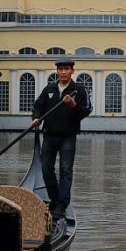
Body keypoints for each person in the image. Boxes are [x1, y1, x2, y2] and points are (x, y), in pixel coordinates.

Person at [31, 57, 91, 220]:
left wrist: (73, 106)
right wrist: (36, 118)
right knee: (46, 169)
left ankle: (61, 205)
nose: (63, 72)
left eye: (66, 69)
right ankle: (56, 200)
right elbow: (38, 106)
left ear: (72, 71)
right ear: (57, 71)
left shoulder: (79, 90)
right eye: (60, 69)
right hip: (49, 135)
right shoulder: (49, 89)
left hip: (68, 137)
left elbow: (86, 111)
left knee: (65, 171)